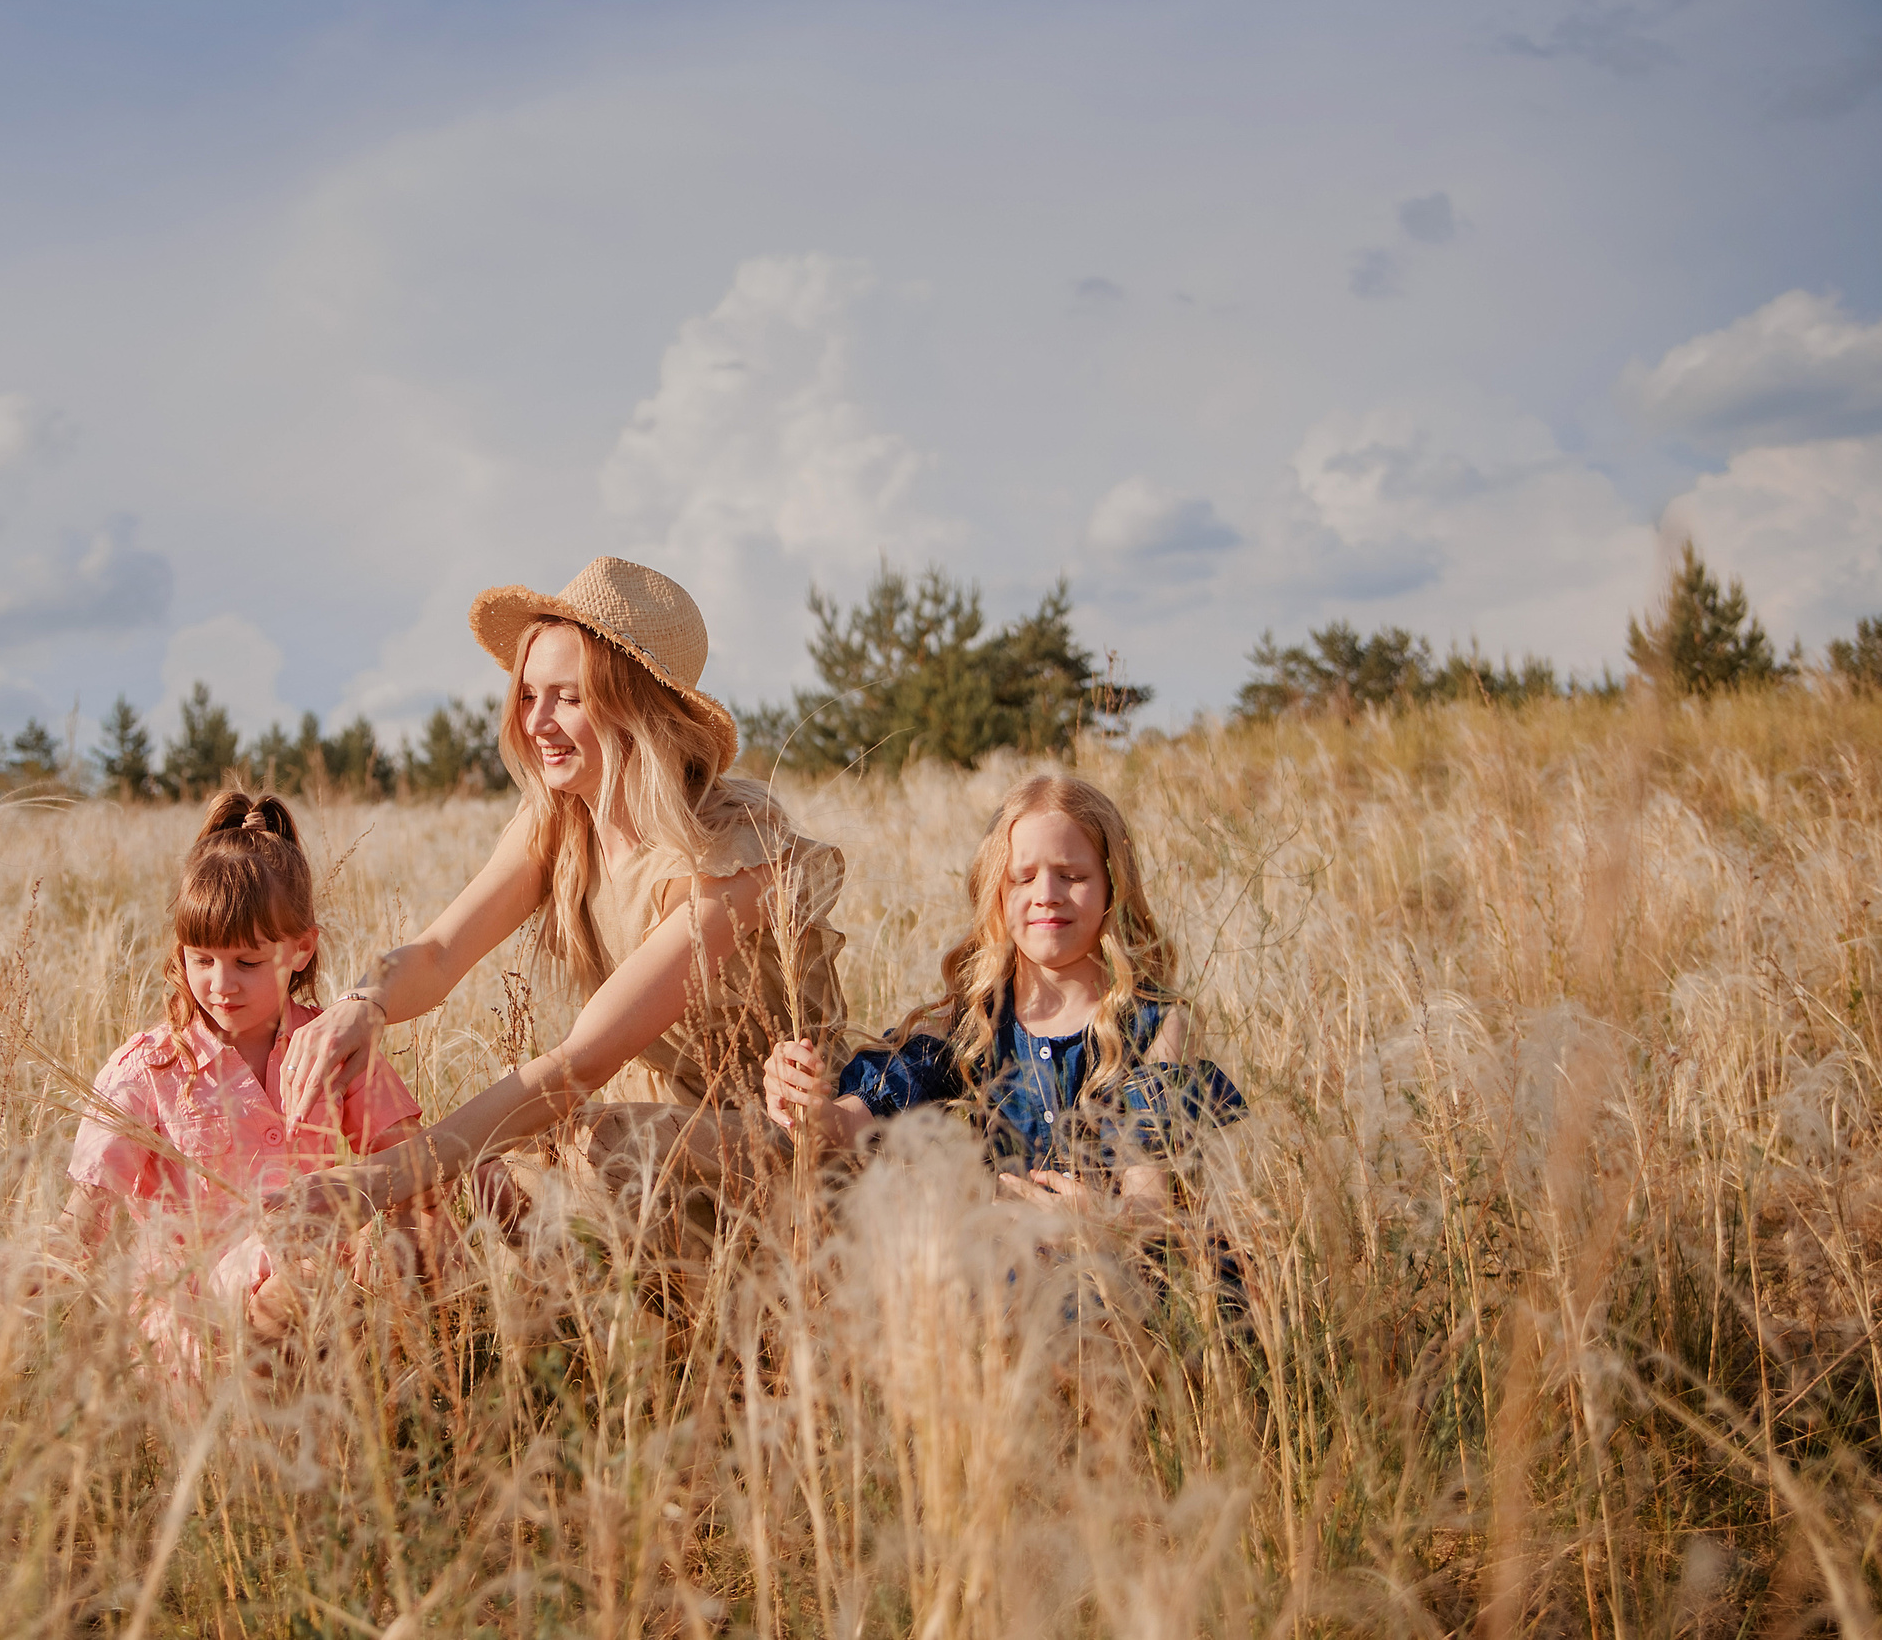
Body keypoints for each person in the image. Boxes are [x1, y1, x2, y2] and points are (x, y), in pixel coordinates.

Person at [271, 556, 845, 1249]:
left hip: (769, 1144)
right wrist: (366, 1001)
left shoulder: (734, 854)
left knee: (562, 1148)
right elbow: (441, 950)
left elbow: (581, 1063)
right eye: (528, 694)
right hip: (621, 1134)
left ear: (638, 706)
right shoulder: (560, 820)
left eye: (568, 697)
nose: (537, 720)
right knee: (430, 1221)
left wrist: (379, 1177)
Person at [763, 774, 1243, 1231]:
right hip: (1000, 1280)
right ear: (995, 891)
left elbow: (1150, 1206)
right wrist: (809, 1104)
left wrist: (1101, 1222)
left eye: (1072, 875)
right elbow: (850, 1129)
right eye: (1023, 878)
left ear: (1112, 888)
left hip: (1118, 1286)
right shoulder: (971, 1020)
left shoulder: (1154, 1024)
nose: (1047, 895)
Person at [62, 791, 431, 1358]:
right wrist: (48, 1263)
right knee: (295, 1286)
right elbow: (88, 1208)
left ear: (302, 948)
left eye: (248, 962)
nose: (221, 984)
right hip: (192, 1326)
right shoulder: (152, 1068)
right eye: (201, 959)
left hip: (327, 1313)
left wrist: (394, 1239)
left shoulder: (337, 1046)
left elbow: (408, 1163)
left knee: (320, 1278)